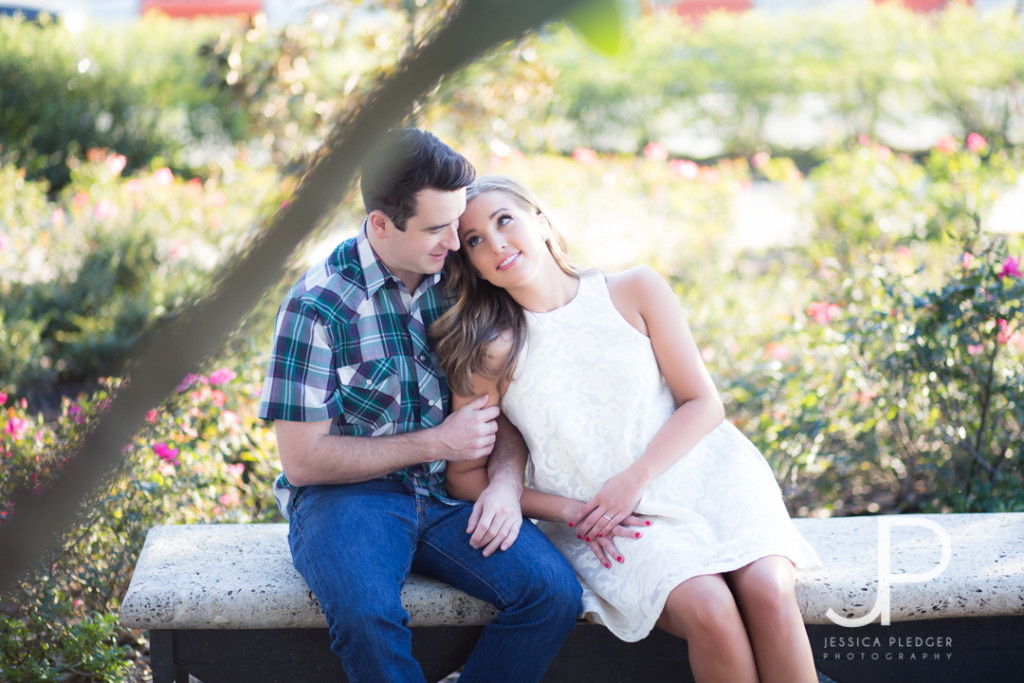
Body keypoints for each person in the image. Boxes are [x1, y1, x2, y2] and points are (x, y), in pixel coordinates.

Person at [432, 174, 822, 683]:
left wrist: (634, 478)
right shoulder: (490, 350)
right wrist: (568, 510)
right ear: (473, 267)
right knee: (711, 610)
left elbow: (703, 403)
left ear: (541, 220)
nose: (497, 243)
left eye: (505, 220)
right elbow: (464, 477)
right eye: (475, 240)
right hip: (607, 524)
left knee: (769, 593)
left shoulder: (634, 289)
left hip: (707, 476)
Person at [257, 134, 582, 683]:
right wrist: (437, 442)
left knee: (553, 593)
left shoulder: (465, 280)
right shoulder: (316, 306)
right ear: (381, 225)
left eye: (458, 221)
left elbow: (506, 406)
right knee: (366, 617)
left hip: (451, 495)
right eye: (437, 228)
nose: (458, 241)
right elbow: (303, 461)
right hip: (347, 501)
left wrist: (504, 483)